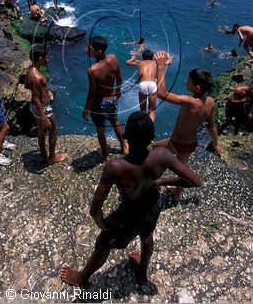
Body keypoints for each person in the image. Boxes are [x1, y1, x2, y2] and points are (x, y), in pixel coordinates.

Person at [60, 111, 201, 288]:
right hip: (152, 207)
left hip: (129, 215)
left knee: (103, 244)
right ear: (152, 137)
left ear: (126, 137)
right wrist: (161, 180)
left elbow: (95, 209)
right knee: (147, 237)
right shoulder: (162, 155)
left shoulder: (115, 167)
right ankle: (142, 274)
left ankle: (81, 279)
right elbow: (196, 181)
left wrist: (103, 224)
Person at [152, 51, 221, 200]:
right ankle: (177, 193)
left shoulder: (190, 101)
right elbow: (212, 125)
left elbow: (162, 94)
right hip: (191, 144)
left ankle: (150, 181)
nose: (185, 81)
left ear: (197, 88)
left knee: (153, 147)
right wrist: (216, 144)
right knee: (181, 168)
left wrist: (161, 66)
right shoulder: (210, 101)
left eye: (188, 80)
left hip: (176, 143)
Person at [83, 35, 129, 160]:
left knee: (100, 129)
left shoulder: (92, 70)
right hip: (112, 99)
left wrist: (86, 110)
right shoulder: (113, 58)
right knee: (115, 121)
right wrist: (117, 92)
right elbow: (119, 79)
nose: (87, 48)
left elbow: (91, 93)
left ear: (99, 51)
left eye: (90, 47)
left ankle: (104, 153)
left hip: (99, 104)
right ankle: (124, 146)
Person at [24, 45, 67, 165]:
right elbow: (36, 98)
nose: (48, 59)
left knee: (41, 131)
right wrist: (44, 116)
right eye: (46, 58)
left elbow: (27, 86)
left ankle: (43, 155)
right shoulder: (37, 76)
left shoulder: (30, 69)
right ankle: (52, 157)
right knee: (54, 129)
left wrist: (46, 92)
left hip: (35, 107)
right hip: (43, 108)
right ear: (40, 58)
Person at [126, 46, 157, 122]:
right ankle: (150, 128)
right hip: (152, 84)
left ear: (143, 57)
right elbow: (169, 62)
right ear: (152, 57)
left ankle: (143, 128)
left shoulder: (140, 63)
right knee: (152, 110)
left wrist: (135, 55)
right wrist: (169, 57)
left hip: (142, 84)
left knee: (142, 110)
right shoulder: (155, 62)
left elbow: (128, 62)